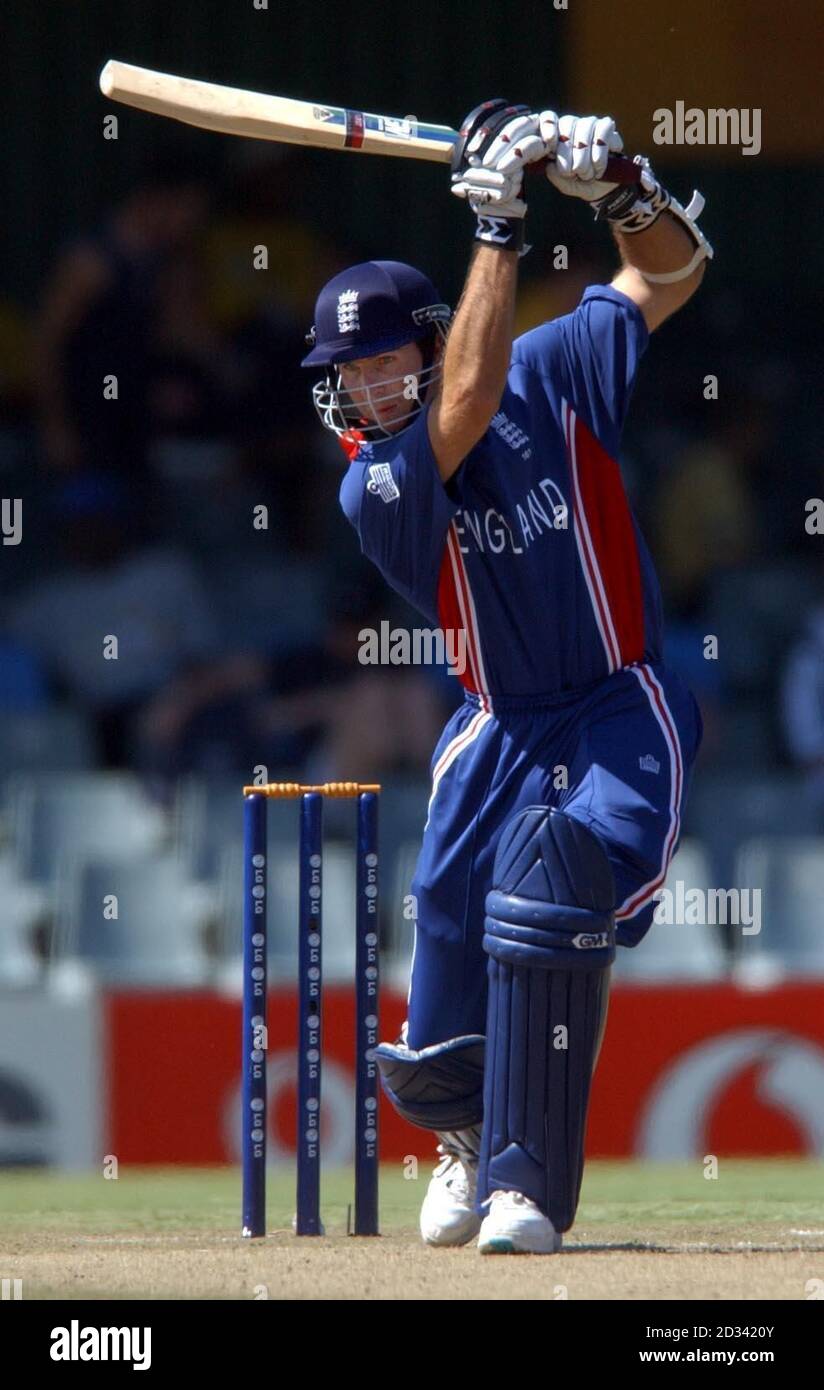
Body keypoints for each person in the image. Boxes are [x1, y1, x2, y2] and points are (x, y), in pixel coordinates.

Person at [301, 103, 711, 1255]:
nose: (360, 393)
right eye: (343, 372)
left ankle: (527, 1182)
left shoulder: (552, 368)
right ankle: (467, 1139)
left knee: (554, 892)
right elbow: (462, 408)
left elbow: (669, 278)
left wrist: (621, 190)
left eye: (379, 363)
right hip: (497, 724)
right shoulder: (374, 487)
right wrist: (495, 221)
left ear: (428, 342)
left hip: (617, 701)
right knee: (445, 924)